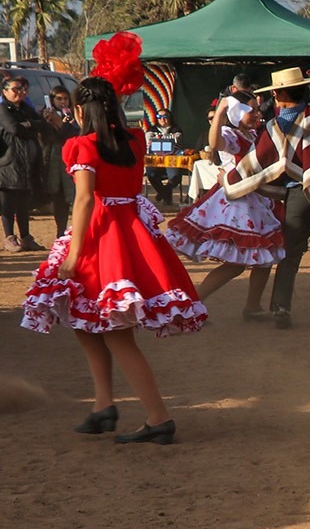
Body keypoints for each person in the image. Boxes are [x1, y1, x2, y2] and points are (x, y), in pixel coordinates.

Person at [20, 74, 207, 443]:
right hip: (131, 233)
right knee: (84, 320)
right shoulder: (135, 139)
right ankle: (103, 405)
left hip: (100, 235)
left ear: (78, 109)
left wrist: (72, 255)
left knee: (116, 334)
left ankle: (158, 417)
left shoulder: (80, 145)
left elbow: (86, 199)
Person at [228, 50, 310, 329]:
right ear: (303, 90)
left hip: (296, 194)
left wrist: (229, 178)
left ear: (277, 95)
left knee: (290, 254)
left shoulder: (274, 126)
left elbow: (254, 162)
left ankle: (281, 308)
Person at [166, 98, 281, 316]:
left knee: (265, 258)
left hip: (257, 199)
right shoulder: (231, 135)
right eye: (252, 111)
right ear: (238, 114)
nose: (257, 114)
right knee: (236, 264)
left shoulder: (254, 134)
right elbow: (215, 142)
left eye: (258, 110)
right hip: (238, 203)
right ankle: (195, 303)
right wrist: (219, 113)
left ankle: (253, 306)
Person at [1, 75, 46, 252]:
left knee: (23, 203)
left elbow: (41, 125)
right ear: (5, 92)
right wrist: (30, 126)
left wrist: (28, 124)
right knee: (7, 202)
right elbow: (14, 129)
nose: (20, 92)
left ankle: (26, 238)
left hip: (27, 162)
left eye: (22, 89)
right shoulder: (3, 109)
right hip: (8, 162)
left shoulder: (26, 108)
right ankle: (9, 238)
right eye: (15, 89)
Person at [40, 86, 79, 238]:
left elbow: (75, 134)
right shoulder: (45, 116)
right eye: (59, 98)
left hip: (71, 161)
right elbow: (45, 138)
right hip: (53, 162)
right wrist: (50, 123)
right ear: (52, 100)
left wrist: (63, 124)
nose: (63, 102)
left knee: (74, 197)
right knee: (59, 199)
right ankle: (60, 231)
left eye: (65, 98)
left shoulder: (74, 115)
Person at [144, 108, 185, 204]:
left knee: (175, 177)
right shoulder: (151, 129)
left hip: (172, 161)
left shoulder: (176, 129)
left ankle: (163, 193)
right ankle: (166, 194)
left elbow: (177, 140)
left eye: (165, 117)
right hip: (155, 161)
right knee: (151, 174)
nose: (162, 119)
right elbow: (148, 140)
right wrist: (167, 138)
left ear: (170, 118)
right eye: (159, 117)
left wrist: (158, 138)